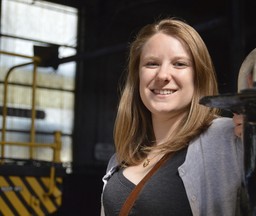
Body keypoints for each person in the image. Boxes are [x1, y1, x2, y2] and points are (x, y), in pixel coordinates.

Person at [101, 18, 243, 216]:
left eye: (179, 64)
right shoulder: (121, 157)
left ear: (198, 77)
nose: (163, 75)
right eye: (152, 64)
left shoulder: (227, 137)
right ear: (137, 77)